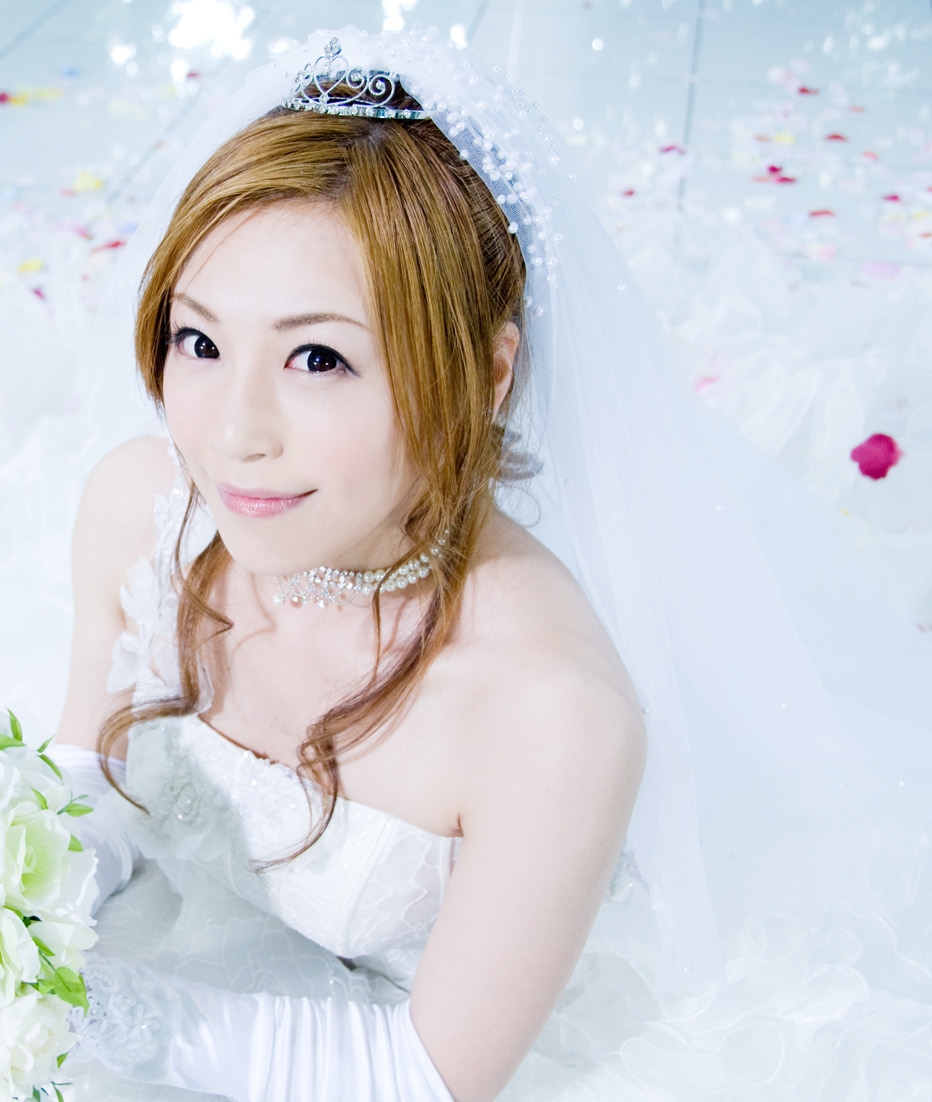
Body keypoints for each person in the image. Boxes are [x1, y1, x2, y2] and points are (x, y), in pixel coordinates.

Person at [49, 28, 932, 1102]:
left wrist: (71, 1012)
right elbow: (87, 781)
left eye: (318, 357)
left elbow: (420, 1075)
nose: (233, 433)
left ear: (486, 372)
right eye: (200, 341)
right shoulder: (139, 510)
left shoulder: (555, 716)